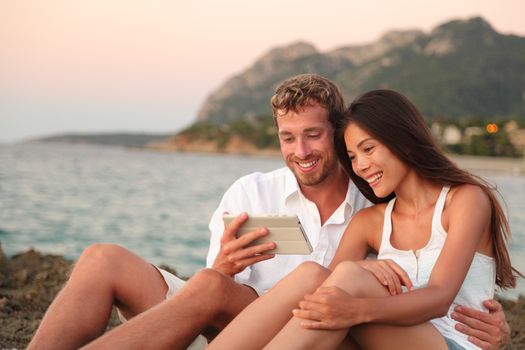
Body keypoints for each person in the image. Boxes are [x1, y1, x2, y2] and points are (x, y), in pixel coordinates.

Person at [28, 75, 510, 350]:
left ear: (335, 136)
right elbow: (211, 286)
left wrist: (498, 323)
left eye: (314, 136)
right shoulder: (251, 192)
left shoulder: (375, 199)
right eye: (287, 137)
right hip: (237, 323)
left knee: (310, 276)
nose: (300, 150)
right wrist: (222, 268)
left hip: (327, 330)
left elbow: (443, 283)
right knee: (107, 259)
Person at [207, 89, 521, 350]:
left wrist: (354, 310)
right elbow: (319, 291)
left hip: (452, 343)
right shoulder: (371, 221)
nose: (361, 166)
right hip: (383, 338)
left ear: (404, 140)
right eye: (353, 157)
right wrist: (359, 276)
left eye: (368, 149)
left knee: (346, 282)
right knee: (311, 275)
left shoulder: (465, 199)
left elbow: (439, 298)